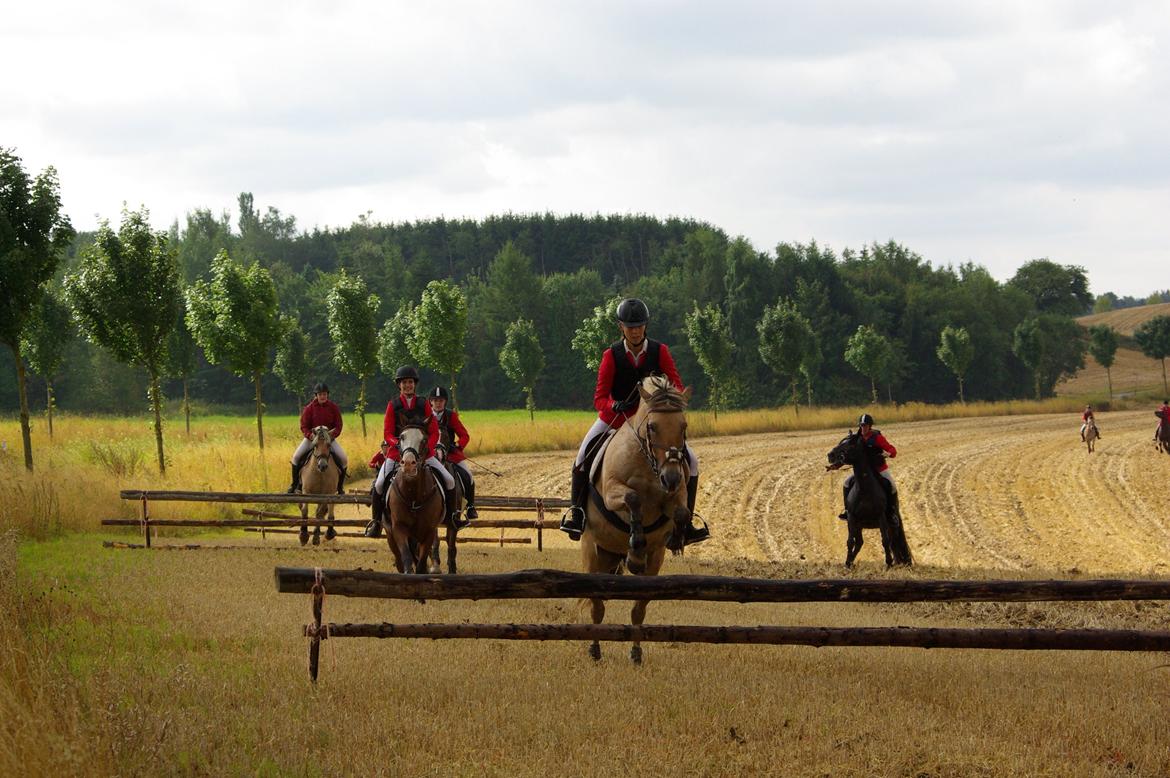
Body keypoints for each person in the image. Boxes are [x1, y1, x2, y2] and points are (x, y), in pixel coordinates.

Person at [559, 297, 708, 545]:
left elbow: (676, 383)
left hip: (653, 424)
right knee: (583, 455)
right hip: (618, 419)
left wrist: (669, 400)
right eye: (630, 327)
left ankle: (688, 523)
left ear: (645, 326)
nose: (636, 331)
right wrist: (613, 405)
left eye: (639, 326)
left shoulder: (660, 351)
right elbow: (600, 397)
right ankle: (577, 513)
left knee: (691, 461)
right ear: (621, 327)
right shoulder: (611, 355)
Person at [363, 366, 458, 538]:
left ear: (414, 384)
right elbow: (388, 433)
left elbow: (434, 431)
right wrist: (399, 446)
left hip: (423, 454)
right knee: (378, 484)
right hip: (397, 453)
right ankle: (376, 522)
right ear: (399, 385)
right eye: (404, 382)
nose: (408, 385)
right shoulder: (393, 405)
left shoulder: (423, 404)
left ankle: (452, 517)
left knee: (450, 480)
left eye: (410, 382)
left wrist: (427, 447)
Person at [837, 413, 899, 523]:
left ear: (870, 426)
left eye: (865, 425)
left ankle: (892, 512)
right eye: (861, 425)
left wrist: (889, 453)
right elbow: (848, 454)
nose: (863, 428)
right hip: (862, 471)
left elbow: (892, 450)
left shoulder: (877, 438)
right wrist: (837, 464)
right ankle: (847, 510)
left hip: (879, 469)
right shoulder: (856, 438)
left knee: (892, 486)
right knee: (846, 483)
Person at [287, 382, 347, 494]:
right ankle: (295, 485)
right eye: (320, 394)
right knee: (295, 458)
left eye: (324, 394)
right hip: (312, 439)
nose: (323, 396)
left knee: (344, 459)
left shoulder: (333, 408)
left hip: (328, 440)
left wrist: (332, 436)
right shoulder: (309, 408)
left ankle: (339, 487)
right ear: (316, 395)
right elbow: (304, 426)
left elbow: (339, 425)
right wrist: (310, 436)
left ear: (327, 395)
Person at [428, 386, 478, 522]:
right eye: (435, 400)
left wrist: (458, 444)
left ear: (445, 402)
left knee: (468, 476)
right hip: (429, 454)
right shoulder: (425, 416)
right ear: (430, 401)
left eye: (441, 400)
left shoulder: (451, 416)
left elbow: (464, 435)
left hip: (450, 454)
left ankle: (471, 507)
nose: (438, 403)